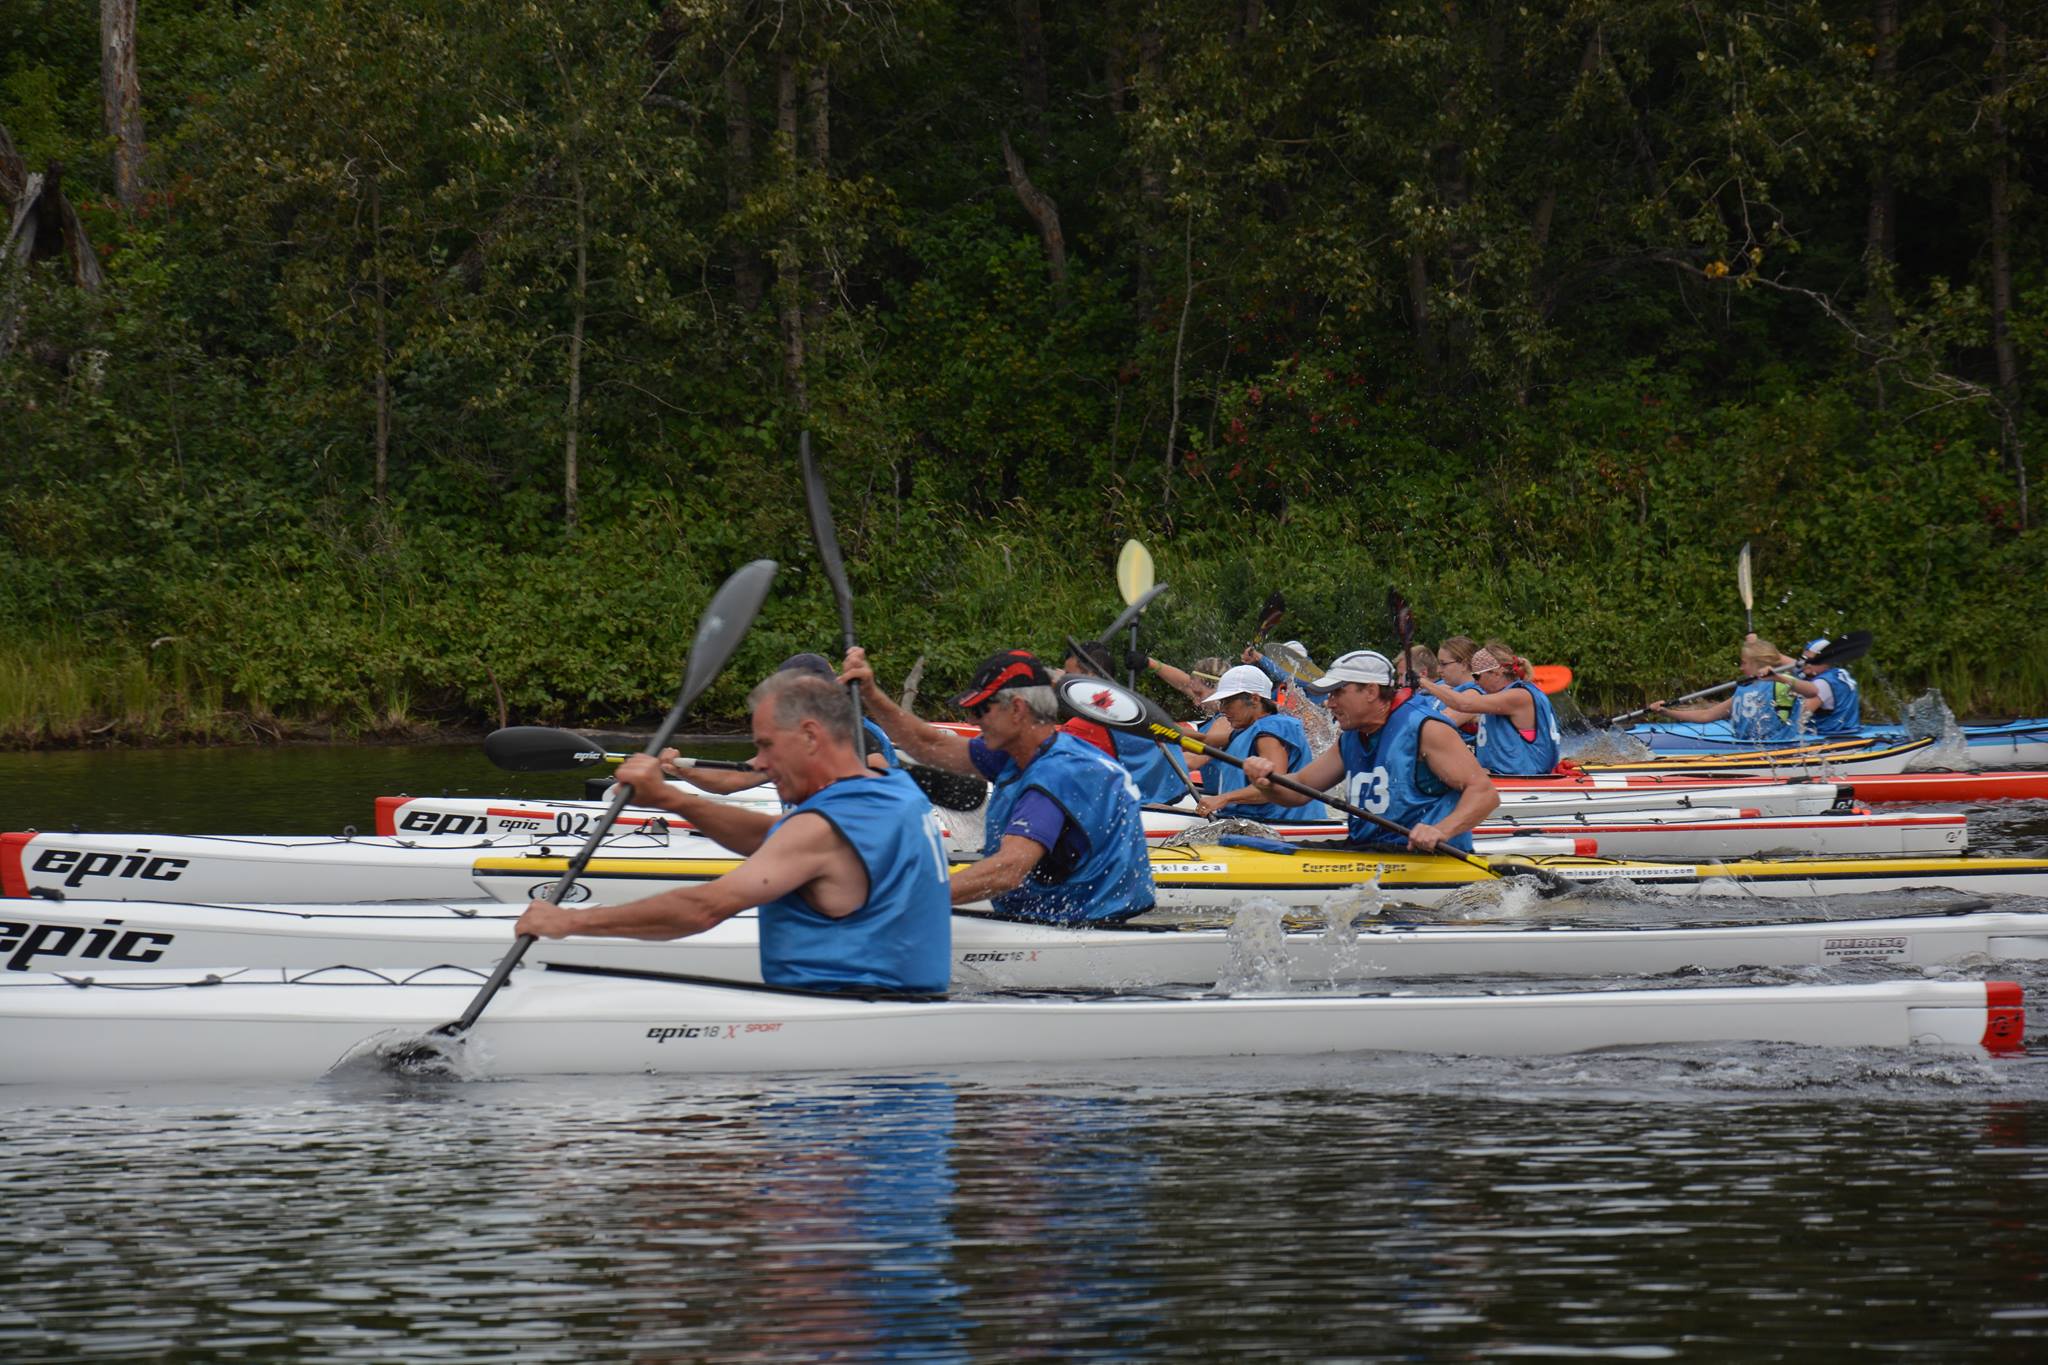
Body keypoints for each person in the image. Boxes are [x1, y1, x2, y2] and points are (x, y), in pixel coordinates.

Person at [514, 670, 952, 994]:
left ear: (810, 736)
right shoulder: (892, 790)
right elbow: (778, 837)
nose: (758, 764)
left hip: (843, 1069)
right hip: (891, 1018)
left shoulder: (821, 828)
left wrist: (570, 922)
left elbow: (705, 908)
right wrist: (674, 799)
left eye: (765, 745)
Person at [842, 647, 1155, 924]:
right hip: (1059, 914)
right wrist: (871, 693)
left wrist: (901, 897)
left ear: (1017, 709)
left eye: (980, 710)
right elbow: (929, 743)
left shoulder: (1055, 775)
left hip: (1080, 929)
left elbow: (1008, 870)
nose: (972, 721)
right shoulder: (1021, 753)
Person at [1241, 649, 1499, 853]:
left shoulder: (1425, 729)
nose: (1329, 703)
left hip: (1422, 857)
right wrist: (1266, 780)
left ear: (1371, 691)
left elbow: (1484, 793)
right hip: (1367, 851)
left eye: (1337, 693)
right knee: (1248, 845)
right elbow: (1300, 788)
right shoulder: (1352, 736)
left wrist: (1441, 830)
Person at [651, 652, 895, 797]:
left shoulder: (856, 734)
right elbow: (732, 780)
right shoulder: (793, 740)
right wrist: (683, 770)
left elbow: (883, 784)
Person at [1059, 641, 1193, 805]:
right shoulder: (1125, 702)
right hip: (1168, 792)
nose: (1063, 681)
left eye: (1067, 674)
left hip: (1154, 802)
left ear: (1091, 676)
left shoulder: (1097, 718)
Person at [1191, 665, 1327, 821]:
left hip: (1284, 826)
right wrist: (1169, 732)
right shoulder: (1246, 729)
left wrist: (1224, 798)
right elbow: (1205, 740)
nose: (1222, 709)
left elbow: (1274, 786)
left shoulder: (1270, 730)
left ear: (1254, 699)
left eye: (1228, 702)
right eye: (1222, 702)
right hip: (1255, 820)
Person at [1415, 645, 1563, 776]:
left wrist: (1423, 682)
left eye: (1477, 676)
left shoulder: (1518, 696)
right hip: (1505, 776)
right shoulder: (1503, 698)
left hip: (1525, 780)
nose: (1475, 682)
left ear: (1497, 673)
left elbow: (1463, 705)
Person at [1648, 637, 1802, 745]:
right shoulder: (1745, 688)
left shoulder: (1783, 684)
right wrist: (1667, 712)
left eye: (1744, 663)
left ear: (1759, 663)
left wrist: (1770, 654)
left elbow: (1810, 674)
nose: (1741, 668)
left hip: (1778, 751)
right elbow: (1706, 715)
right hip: (1746, 748)